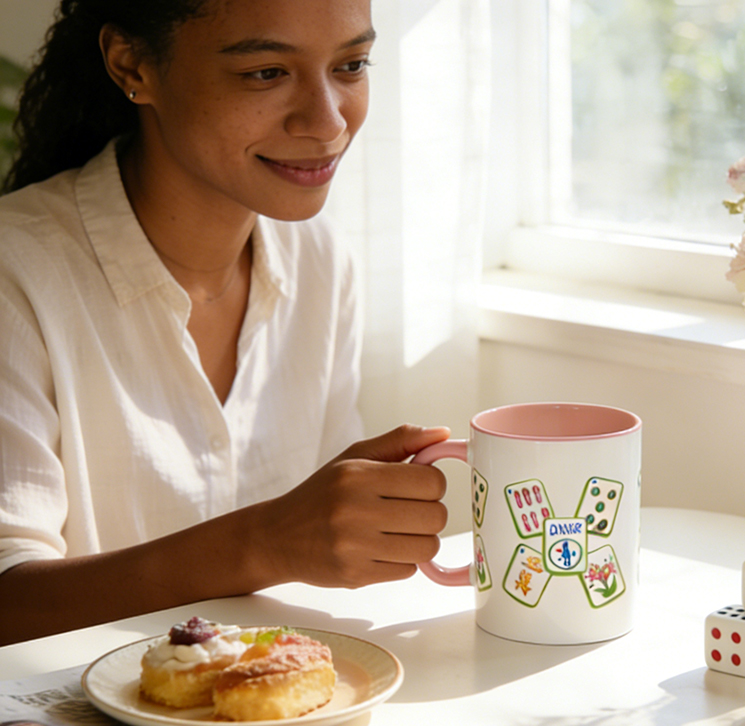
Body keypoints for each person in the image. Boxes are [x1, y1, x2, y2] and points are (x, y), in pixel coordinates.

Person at [0, 0, 450, 646]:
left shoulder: (321, 262)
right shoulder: (16, 276)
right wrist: (262, 542)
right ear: (133, 66)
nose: (327, 123)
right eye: (267, 73)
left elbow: (308, 565)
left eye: (351, 64)